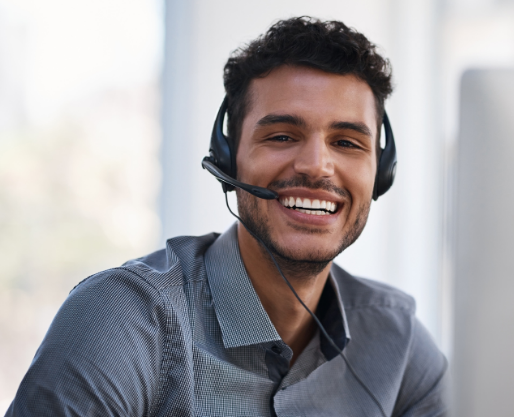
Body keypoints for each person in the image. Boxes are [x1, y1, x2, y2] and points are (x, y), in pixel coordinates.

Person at [6, 17, 447, 417]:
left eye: (347, 143)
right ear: (228, 161)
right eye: (281, 135)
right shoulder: (124, 323)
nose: (317, 165)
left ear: (380, 173)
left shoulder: (398, 343)